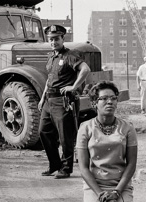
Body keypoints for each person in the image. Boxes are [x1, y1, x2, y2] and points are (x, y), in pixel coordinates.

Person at [76, 81, 138, 202]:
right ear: (94, 103)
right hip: (95, 186)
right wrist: (100, 194)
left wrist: (117, 192)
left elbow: (131, 164)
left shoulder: (127, 128)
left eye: (113, 98)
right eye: (104, 98)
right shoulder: (85, 128)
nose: (109, 101)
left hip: (120, 185)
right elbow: (83, 167)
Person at [38, 25, 91, 178]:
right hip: (49, 100)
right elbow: (49, 80)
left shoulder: (70, 55)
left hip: (63, 102)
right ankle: (54, 164)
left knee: (65, 136)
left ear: (63, 39)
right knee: (44, 131)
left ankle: (66, 168)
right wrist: (42, 99)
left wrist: (74, 87)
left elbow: (85, 69)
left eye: (56, 39)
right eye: (51, 39)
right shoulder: (51, 57)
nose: (53, 42)